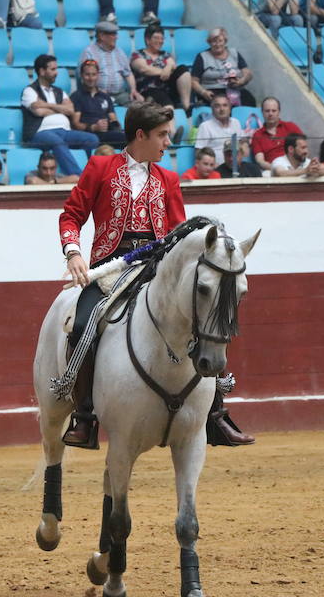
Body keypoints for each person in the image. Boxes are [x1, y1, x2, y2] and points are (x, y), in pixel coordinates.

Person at [60, 100, 254, 449]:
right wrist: (74, 253)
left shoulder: (168, 178)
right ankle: (85, 415)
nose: (168, 142)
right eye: (162, 135)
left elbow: (178, 231)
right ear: (140, 135)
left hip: (156, 269)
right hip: (110, 269)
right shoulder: (101, 167)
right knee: (81, 323)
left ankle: (216, 414)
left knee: (203, 314)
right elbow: (71, 215)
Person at [22, 54, 98, 179]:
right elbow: (39, 112)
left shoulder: (59, 91)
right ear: (41, 71)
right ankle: (81, 178)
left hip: (65, 132)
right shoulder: (29, 91)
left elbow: (71, 110)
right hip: (39, 133)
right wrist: (60, 108)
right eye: (52, 69)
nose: (56, 73)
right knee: (57, 142)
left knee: (92, 139)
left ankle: (93, 173)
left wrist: (46, 105)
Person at [79, 20, 143, 106]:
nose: (116, 37)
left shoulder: (119, 52)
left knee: (139, 106)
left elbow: (128, 74)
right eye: (113, 34)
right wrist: (96, 90)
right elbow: (84, 77)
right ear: (102, 36)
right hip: (97, 94)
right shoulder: (89, 52)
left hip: (120, 94)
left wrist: (133, 90)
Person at [130, 24, 192, 112]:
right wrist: (164, 70)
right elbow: (144, 69)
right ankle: (170, 118)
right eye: (156, 38)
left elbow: (173, 66)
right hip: (148, 90)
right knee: (160, 96)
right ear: (147, 40)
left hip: (167, 87)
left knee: (183, 69)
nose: (160, 41)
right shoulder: (137, 54)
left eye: (162, 38)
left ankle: (186, 106)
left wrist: (169, 66)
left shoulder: (165, 54)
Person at [191, 27, 257, 107]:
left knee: (249, 100)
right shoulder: (202, 57)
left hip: (235, 89)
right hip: (212, 91)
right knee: (222, 105)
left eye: (220, 41)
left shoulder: (234, 53)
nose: (217, 44)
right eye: (214, 41)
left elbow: (247, 73)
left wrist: (241, 81)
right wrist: (203, 92)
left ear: (225, 41)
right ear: (209, 42)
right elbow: (193, 81)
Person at [70, 59, 126, 150]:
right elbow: (75, 124)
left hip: (107, 133)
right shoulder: (76, 97)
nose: (91, 78)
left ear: (98, 76)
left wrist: (112, 124)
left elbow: (114, 119)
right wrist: (93, 127)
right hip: (90, 135)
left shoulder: (105, 96)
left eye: (94, 74)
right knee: (127, 139)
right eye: (87, 75)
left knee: (134, 137)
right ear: (81, 76)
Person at [250, 97, 304, 173]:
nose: (270, 114)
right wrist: (277, 169)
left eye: (274, 111)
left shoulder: (291, 126)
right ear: (262, 112)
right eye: (267, 111)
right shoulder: (257, 135)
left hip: (296, 165)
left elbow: (303, 149)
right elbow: (260, 161)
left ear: (279, 112)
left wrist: (297, 166)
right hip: (272, 170)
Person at [194, 94, 245, 166]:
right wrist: (212, 165)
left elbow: (241, 143)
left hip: (235, 165)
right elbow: (198, 153)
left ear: (230, 108)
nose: (222, 109)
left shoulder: (236, 122)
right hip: (215, 168)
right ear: (212, 109)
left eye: (225, 105)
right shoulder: (205, 126)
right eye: (217, 106)